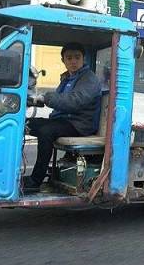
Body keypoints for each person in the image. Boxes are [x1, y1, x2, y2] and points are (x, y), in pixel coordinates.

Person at [23, 42, 102, 192]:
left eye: (77, 57)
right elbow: (60, 100)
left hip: (79, 125)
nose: (73, 61)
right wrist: (38, 99)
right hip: (65, 120)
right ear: (63, 60)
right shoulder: (67, 79)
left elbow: (74, 101)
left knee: (47, 132)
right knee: (23, 123)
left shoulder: (89, 79)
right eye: (69, 58)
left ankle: (35, 181)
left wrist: (47, 98)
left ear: (83, 59)